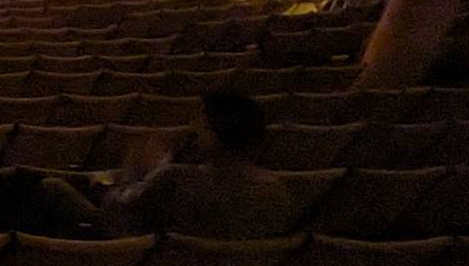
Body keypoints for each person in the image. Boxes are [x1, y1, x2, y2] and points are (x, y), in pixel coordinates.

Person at [36, 91, 295, 240]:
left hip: (144, 265)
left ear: (211, 136)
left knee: (53, 186)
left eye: (200, 124)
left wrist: (132, 172)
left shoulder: (177, 178)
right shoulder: (277, 193)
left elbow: (117, 207)